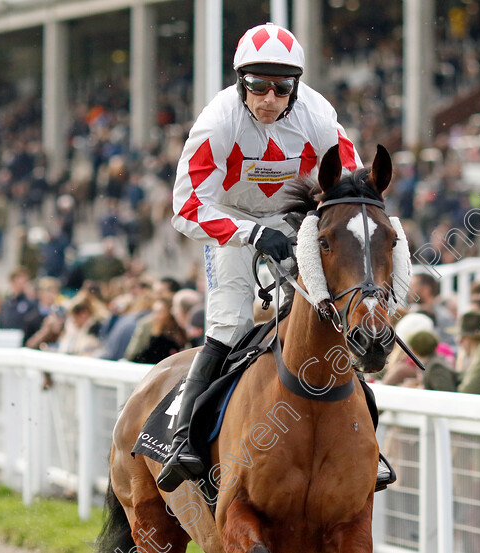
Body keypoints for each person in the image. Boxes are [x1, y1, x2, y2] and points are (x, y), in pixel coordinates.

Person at [158, 22, 380, 492]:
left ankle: (365, 445)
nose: (269, 98)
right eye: (257, 85)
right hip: (231, 221)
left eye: (281, 88)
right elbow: (186, 206)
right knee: (231, 323)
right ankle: (184, 439)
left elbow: (353, 182)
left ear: (296, 87)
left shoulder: (320, 117)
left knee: (326, 316)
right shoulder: (218, 121)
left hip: (293, 217)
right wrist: (251, 232)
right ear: (241, 82)